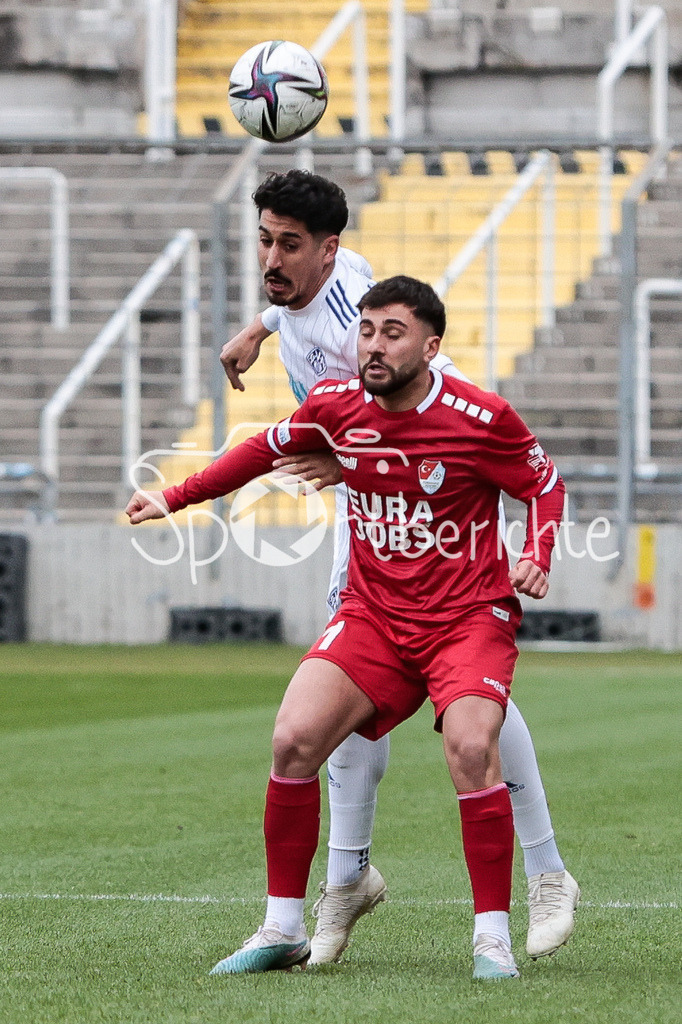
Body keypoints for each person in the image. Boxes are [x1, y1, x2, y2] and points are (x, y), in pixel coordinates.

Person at [127, 275, 567, 979]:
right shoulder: (336, 407)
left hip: (465, 618)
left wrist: (537, 553)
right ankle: (281, 926)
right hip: (375, 616)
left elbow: (543, 483)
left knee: (470, 744)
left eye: (392, 332)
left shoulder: (479, 417)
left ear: (431, 345)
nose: (373, 345)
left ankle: (491, 937)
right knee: (293, 738)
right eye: (366, 330)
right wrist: (174, 495)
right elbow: (260, 452)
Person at [217, 171, 579, 963]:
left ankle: (544, 869)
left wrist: (375, 461)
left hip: (422, 506)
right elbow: (301, 299)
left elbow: (413, 395)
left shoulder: (361, 316)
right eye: (266, 240)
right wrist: (262, 327)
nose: (272, 256)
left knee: (469, 702)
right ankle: (345, 876)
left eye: (287, 243)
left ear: (326, 249)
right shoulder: (310, 286)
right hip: (366, 511)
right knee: (337, 691)